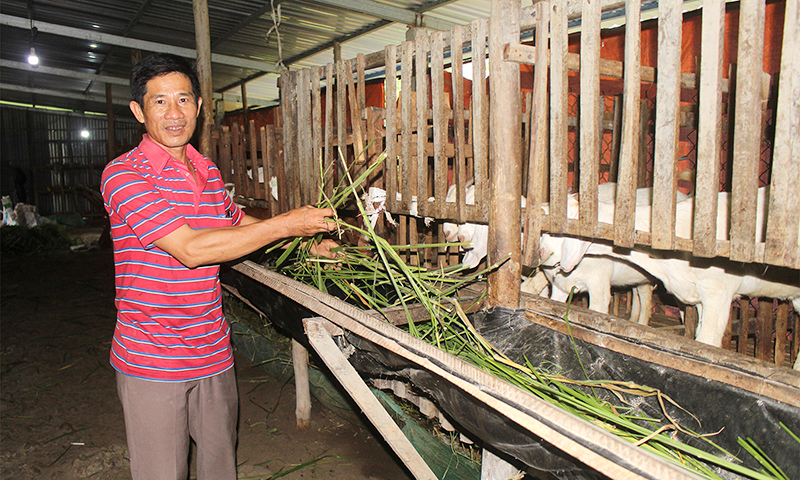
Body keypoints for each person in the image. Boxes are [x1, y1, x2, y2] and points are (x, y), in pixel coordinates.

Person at [101, 53, 337, 480]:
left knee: (219, 466)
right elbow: (190, 249)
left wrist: (303, 243)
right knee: (162, 472)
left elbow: (239, 225)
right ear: (138, 111)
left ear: (199, 105)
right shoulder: (124, 175)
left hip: (212, 349)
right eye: (159, 102)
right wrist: (287, 222)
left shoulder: (207, 170)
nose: (174, 113)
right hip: (153, 357)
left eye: (184, 100)